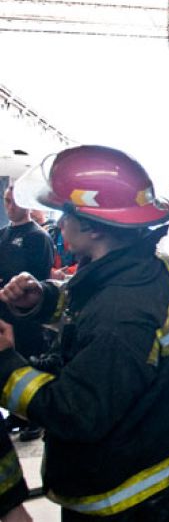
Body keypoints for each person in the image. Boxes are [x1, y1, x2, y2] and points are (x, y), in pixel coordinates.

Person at [0, 145, 169, 520]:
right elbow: (91, 302)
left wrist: (5, 365)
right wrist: (41, 298)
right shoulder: (150, 268)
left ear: (90, 226)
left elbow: (77, 412)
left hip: (124, 500)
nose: (58, 224)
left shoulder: (123, 315)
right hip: (151, 475)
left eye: (64, 214)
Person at [0, 187, 54, 442]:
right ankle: (16, 412)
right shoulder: (3, 235)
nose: (9, 206)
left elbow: (40, 280)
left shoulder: (37, 237)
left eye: (13, 201)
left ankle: (33, 417)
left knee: (30, 359)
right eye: (6, 201)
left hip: (28, 316)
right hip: (4, 312)